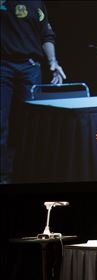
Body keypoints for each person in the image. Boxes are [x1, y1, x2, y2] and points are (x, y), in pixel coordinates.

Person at [1, 0, 66, 183]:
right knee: (1, 124)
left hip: (29, 67)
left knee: (30, 123)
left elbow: (46, 34)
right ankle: (3, 176)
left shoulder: (36, 3)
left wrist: (53, 62)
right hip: (3, 66)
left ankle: (27, 173)